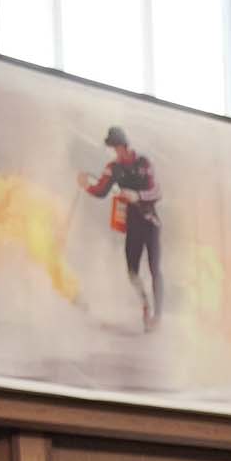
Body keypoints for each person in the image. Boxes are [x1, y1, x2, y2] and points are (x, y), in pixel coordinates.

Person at [78, 126, 163, 329]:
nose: (116, 152)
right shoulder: (114, 168)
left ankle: (157, 317)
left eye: (117, 147)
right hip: (132, 225)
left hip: (150, 222)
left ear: (124, 145)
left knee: (154, 269)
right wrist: (86, 185)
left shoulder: (144, 163)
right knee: (132, 271)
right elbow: (101, 190)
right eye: (113, 149)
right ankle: (145, 304)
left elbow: (157, 191)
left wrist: (138, 196)